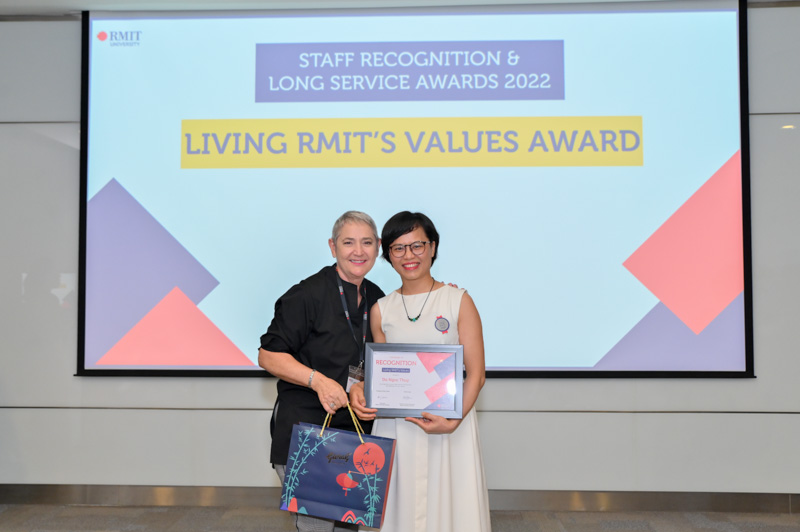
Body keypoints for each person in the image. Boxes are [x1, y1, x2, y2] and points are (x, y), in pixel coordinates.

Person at [350, 211, 491, 532]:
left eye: (417, 245)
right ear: (388, 255)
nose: (408, 255)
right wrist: (361, 389)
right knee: (398, 507)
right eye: (398, 248)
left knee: (452, 508)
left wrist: (453, 420)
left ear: (432, 247)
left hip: (450, 424)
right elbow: (380, 372)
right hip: (396, 426)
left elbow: (477, 374)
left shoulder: (458, 300)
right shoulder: (381, 309)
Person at [258, 211, 385, 532]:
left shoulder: (376, 297)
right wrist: (318, 381)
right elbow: (268, 355)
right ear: (332, 247)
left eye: (367, 242)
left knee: (347, 526)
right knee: (315, 526)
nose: (358, 251)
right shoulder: (306, 295)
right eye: (348, 242)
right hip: (307, 432)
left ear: (378, 246)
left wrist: (361, 387)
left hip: (354, 433)